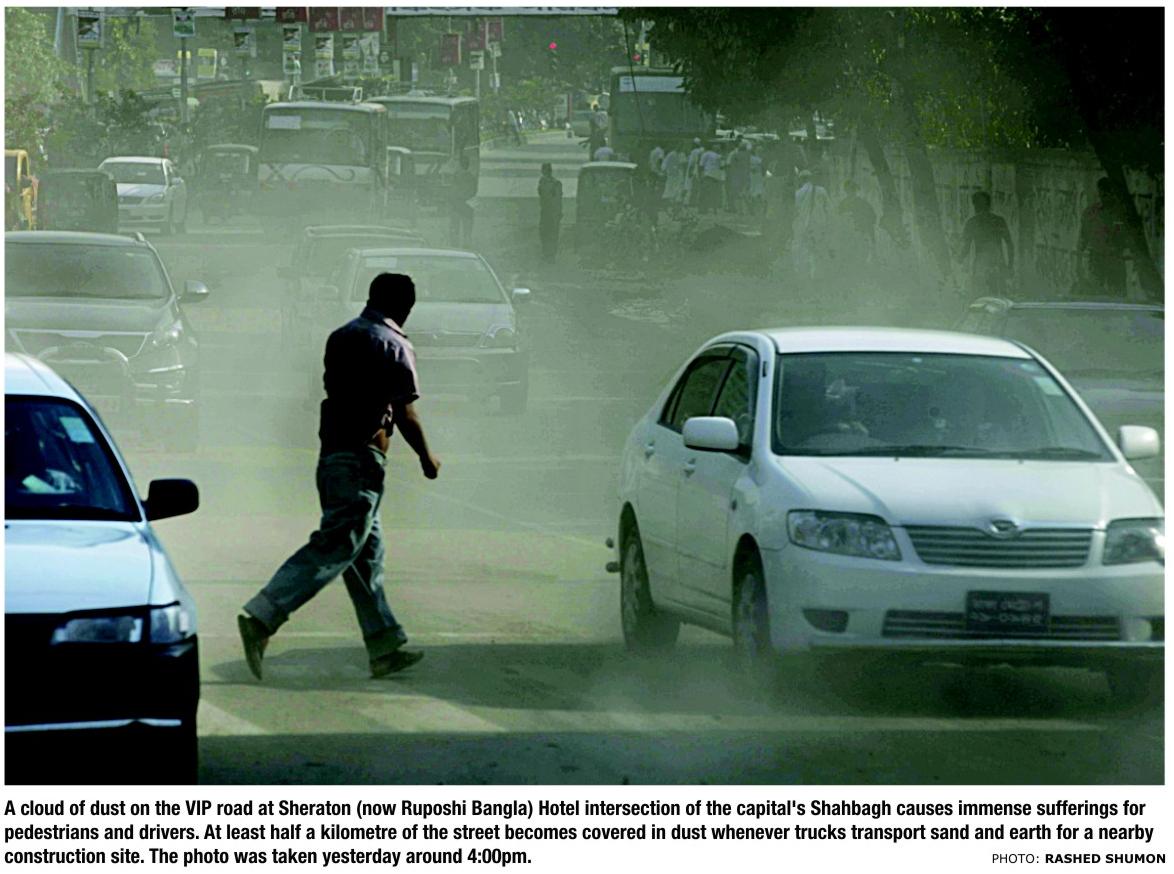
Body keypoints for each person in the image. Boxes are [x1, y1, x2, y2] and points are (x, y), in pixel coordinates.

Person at [238, 273, 441, 681]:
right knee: (336, 545)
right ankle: (263, 615)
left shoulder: (342, 336)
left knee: (365, 557)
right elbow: (405, 412)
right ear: (404, 307)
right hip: (362, 460)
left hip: (333, 455)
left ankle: (383, 644)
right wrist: (427, 456)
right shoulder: (394, 343)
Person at [1078, 176, 1128, 298]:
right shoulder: (1091, 212)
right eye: (1102, 193)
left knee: (1118, 297)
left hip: (1115, 260)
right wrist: (1078, 263)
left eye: (1108, 193)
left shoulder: (1122, 212)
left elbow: (1129, 239)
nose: (1105, 196)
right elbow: (1083, 239)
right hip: (1096, 260)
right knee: (1095, 295)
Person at [958, 190, 1013, 297]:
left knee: (981, 298)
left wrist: (958, 259)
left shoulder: (972, 223)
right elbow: (1010, 244)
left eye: (975, 204)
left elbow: (965, 248)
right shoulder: (999, 221)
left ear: (976, 205)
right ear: (989, 205)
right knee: (998, 298)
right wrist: (1010, 266)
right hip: (997, 263)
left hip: (982, 266)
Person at [793, 169, 832, 278]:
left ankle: (809, 273)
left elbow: (796, 211)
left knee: (807, 248)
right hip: (820, 223)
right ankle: (818, 272)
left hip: (805, 224)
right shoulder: (822, 190)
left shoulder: (798, 194)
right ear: (810, 178)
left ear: (800, 180)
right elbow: (829, 208)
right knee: (819, 246)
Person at [836, 179, 878, 268]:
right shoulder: (843, 204)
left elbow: (872, 218)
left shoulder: (862, 203)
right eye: (849, 190)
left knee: (860, 256)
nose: (850, 192)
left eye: (852, 190)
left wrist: (869, 233)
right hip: (848, 235)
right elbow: (838, 219)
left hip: (860, 233)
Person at [449, 154, 476, 247]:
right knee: (467, 233)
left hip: (456, 207)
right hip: (468, 208)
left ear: (460, 165)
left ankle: (455, 249)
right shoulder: (472, 177)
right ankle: (467, 249)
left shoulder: (456, 176)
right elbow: (473, 192)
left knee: (454, 231)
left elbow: (453, 192)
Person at [537, 162, 563, 262]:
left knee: (548, 233)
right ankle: (549, 254)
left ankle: (549, 254)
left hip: (549, 212)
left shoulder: (551, 183)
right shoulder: (546, 182)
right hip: (549, 212)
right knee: (549, 233)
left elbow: (556, 199)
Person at [661, 142, 687, 211]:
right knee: (669, 189)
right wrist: (665, 171)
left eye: (682, 146)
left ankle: (676, 205)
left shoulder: (682, 154)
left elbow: (683, 165)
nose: (680, 148)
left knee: (678, 189)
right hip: (671, 175)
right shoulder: (671, 154)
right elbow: (665, 164)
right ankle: (667, 205)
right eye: (679, 146)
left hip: (679, 175)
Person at [698, 143, 723, 214]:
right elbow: (721, 167)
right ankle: (712, 209)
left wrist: (700, 175)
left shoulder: (707, 154)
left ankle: (704, 209)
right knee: (713, 193)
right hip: (714, 176)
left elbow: (701, 165)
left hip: (709, 175)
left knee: (705, 193)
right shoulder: (718, 156)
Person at [747, 142, 766, 217]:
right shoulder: (753, 158)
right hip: (754, 177)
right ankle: (753, 209)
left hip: (759, 177)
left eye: (761, 151)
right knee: (754, 193)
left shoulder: (761, 159)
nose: (760, 152)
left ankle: (757, 210)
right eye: (758, 150)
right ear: (755, 150)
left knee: (758, 193)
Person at [684, 138, 704, 207]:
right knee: (696, 187)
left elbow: (692, 163)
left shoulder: (695, 151)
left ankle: (689, 202)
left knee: (690, 186)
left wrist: (690, 171)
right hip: (697, 170)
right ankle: (694, 202)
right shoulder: (701, 151)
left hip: (693, 170)